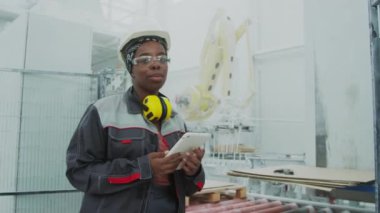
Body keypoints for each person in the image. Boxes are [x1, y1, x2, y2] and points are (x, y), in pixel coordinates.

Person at [66, 28, 205, 213]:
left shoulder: (176, 119)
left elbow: (190, 188)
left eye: (162, 58)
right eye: (145, 59)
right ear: (131, 67)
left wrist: (192, 171)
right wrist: (144, 168)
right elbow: (79, 173)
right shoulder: (102, 112)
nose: (156, 64)